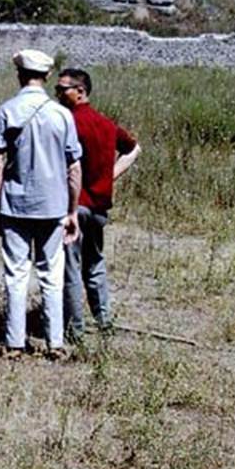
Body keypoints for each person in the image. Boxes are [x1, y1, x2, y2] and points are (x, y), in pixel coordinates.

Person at [0, 50, 82, 361]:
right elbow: (74, 168)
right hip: (53, 204)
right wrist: (72, 210)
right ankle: (55, 341)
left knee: (16, 274)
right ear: (46, 77)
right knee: (51, 273)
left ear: (19, 74)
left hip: (15, 203)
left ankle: (14, 341)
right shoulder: (62, 115)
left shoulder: (7, 110)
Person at [55, 68, 140, 338]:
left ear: (81, 91)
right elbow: (134, 148)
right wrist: (110, 176)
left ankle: (74, 329)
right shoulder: (106, 124)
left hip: (75, 207)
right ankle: (104, 321)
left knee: (69, 268)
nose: (57, 94)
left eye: (62, 89)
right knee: (94, 265)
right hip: (99, 208)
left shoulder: (67, 123)